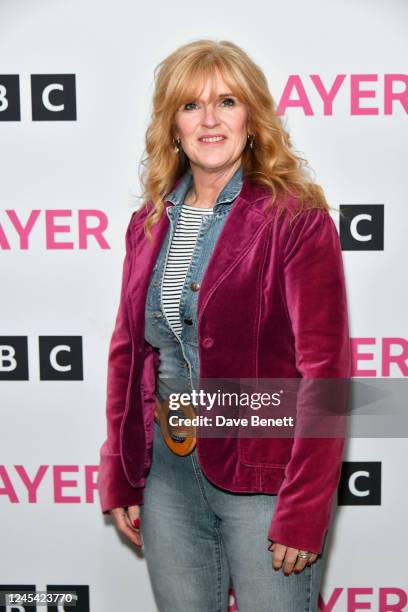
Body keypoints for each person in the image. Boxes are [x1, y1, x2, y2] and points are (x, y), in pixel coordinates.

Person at [97, 39, 351, 611]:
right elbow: (128, 354)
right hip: (166, 475)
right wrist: (120, 470)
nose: (209, 120)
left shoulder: (296, 218)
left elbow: (326, 374)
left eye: (227, 102)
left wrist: (306, 505)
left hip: (265, 478)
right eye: (191, 106)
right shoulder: (148, 223)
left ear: (252, 118)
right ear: (173, 127)